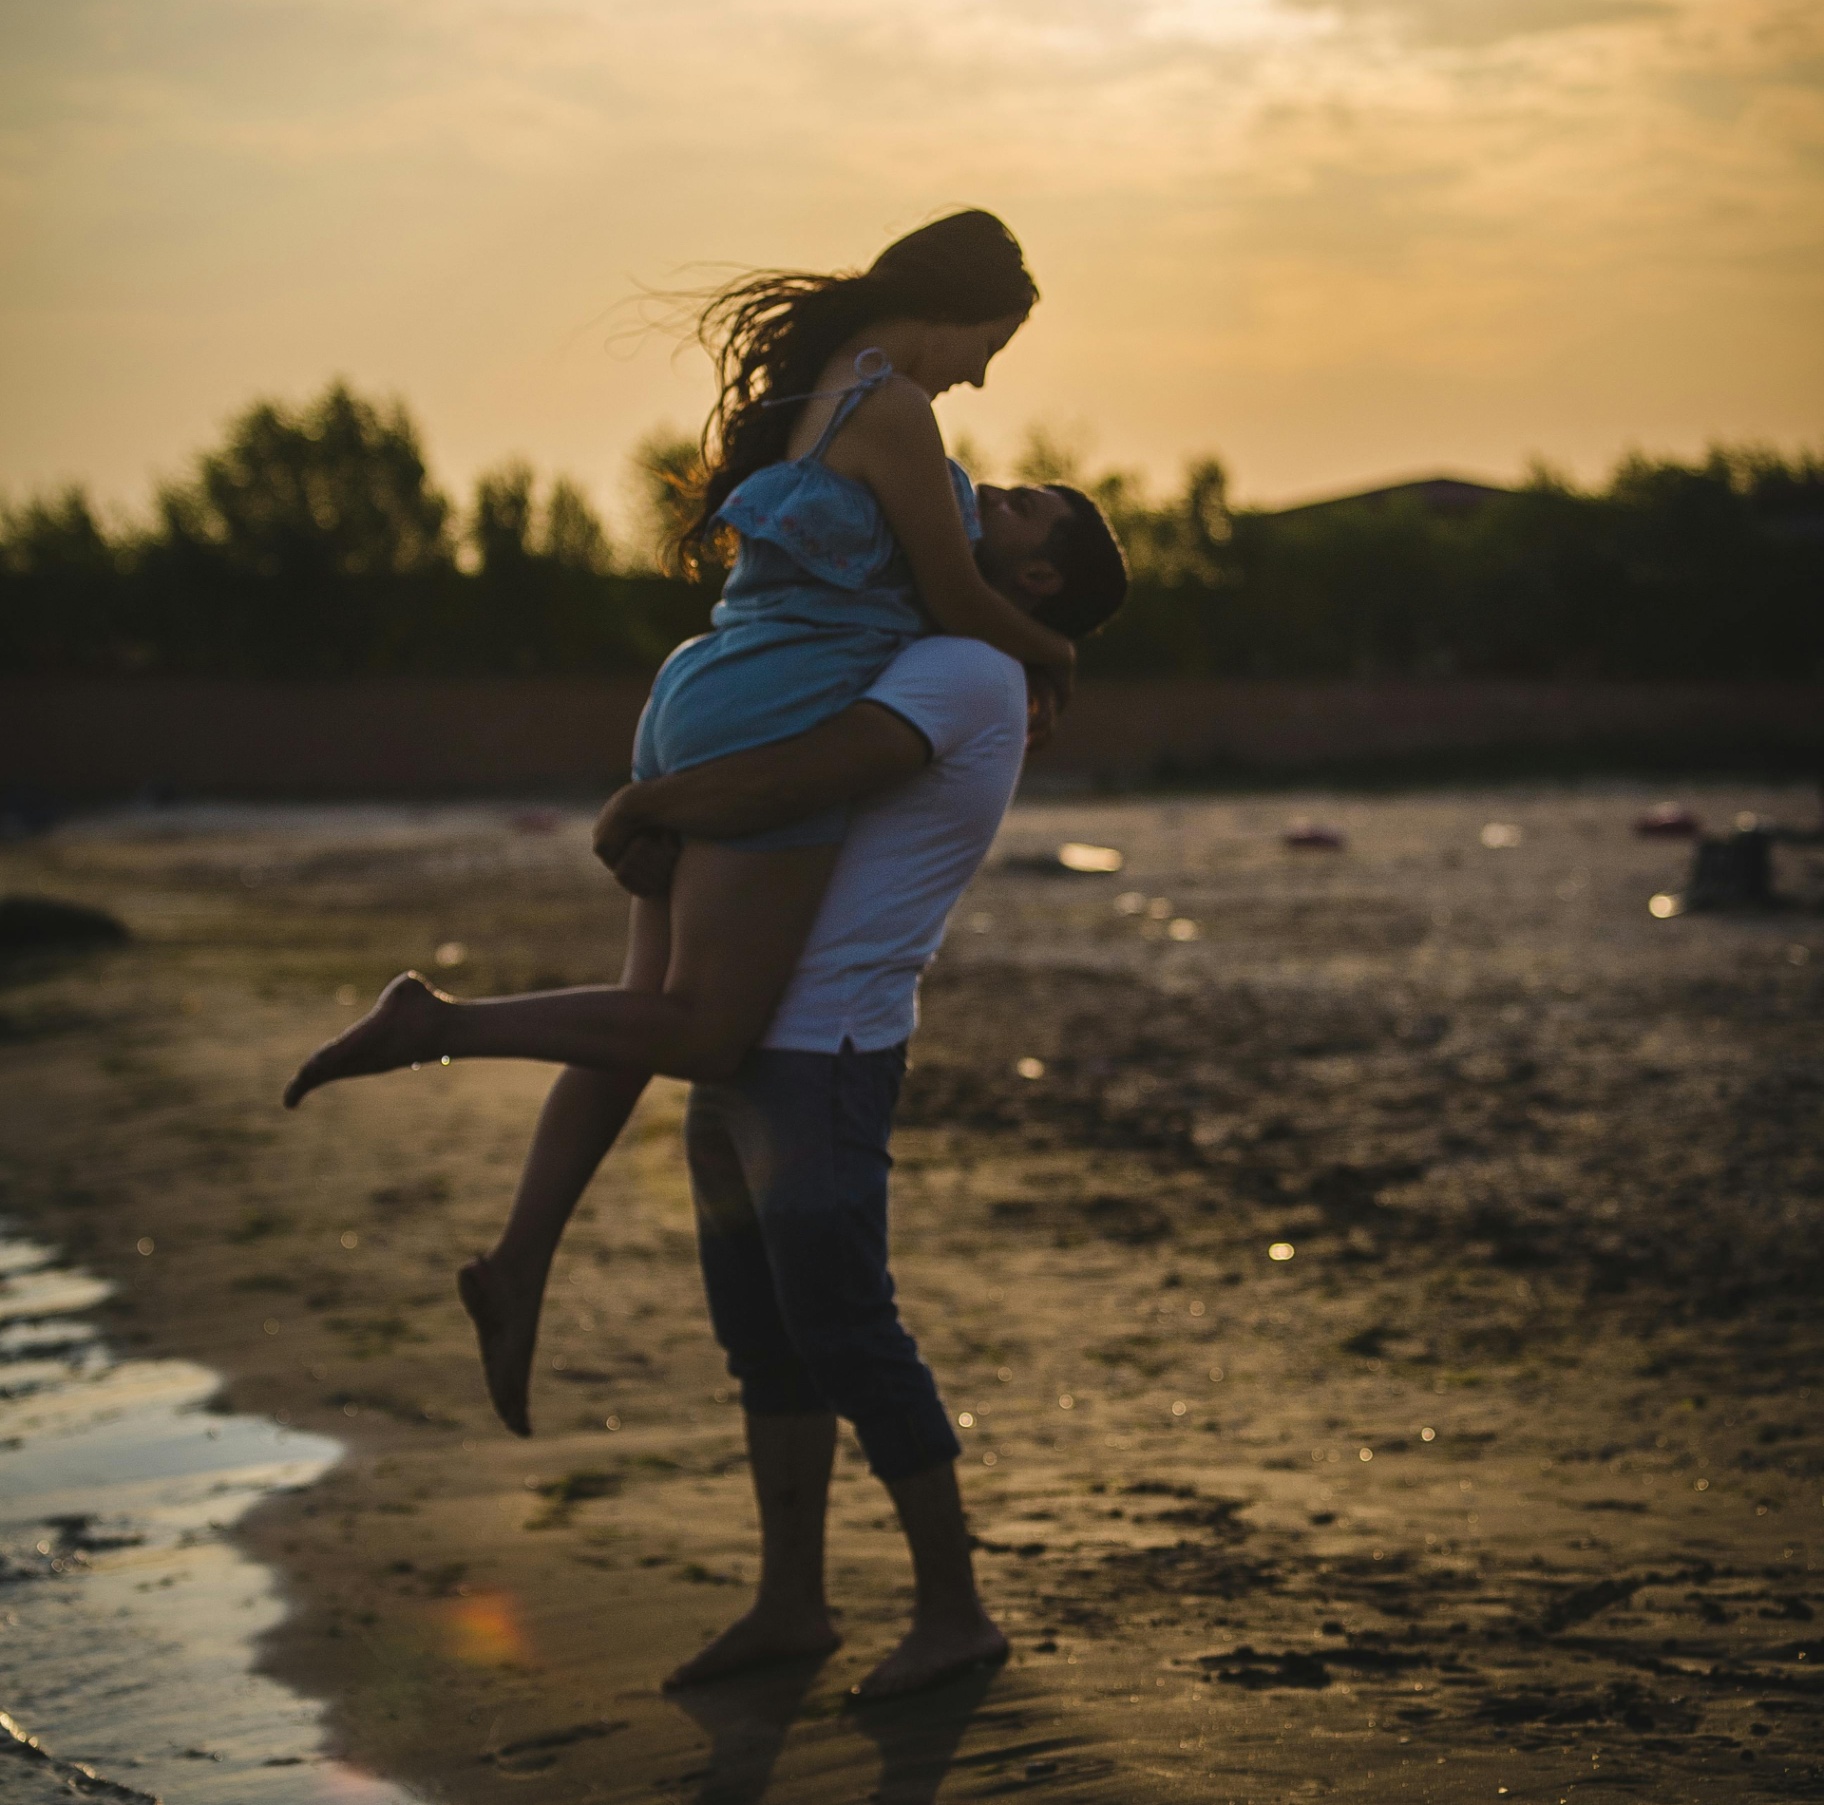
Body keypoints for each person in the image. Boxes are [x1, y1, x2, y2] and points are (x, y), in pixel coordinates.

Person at [582, 486, 1126, 1698]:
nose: (1003, 489)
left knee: (849, 1333)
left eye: (1032, 511)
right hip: (737, 1034)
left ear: (1036, 578)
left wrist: (643, 803)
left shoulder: (964, 672)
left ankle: (956, 1612)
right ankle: (791, 1603)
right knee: (763, 1344)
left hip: (822, 1047)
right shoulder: (931, 645)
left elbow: (799, 774)